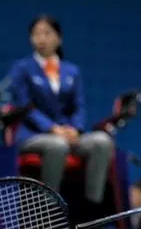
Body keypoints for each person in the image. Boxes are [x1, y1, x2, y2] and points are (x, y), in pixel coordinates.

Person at [6, 15, 115, 203]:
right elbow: (25, 107)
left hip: (68, 134)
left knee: (102, 142)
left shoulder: (72, 71)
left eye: (47, 33)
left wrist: (76, 129)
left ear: (59, 38)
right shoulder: (22, 68)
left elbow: (79, 106)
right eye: (36, 34)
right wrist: (52, 129)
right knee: (57, 145)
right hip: (33, 135)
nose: (41, 39)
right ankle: (49, 207)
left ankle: (91, 206)